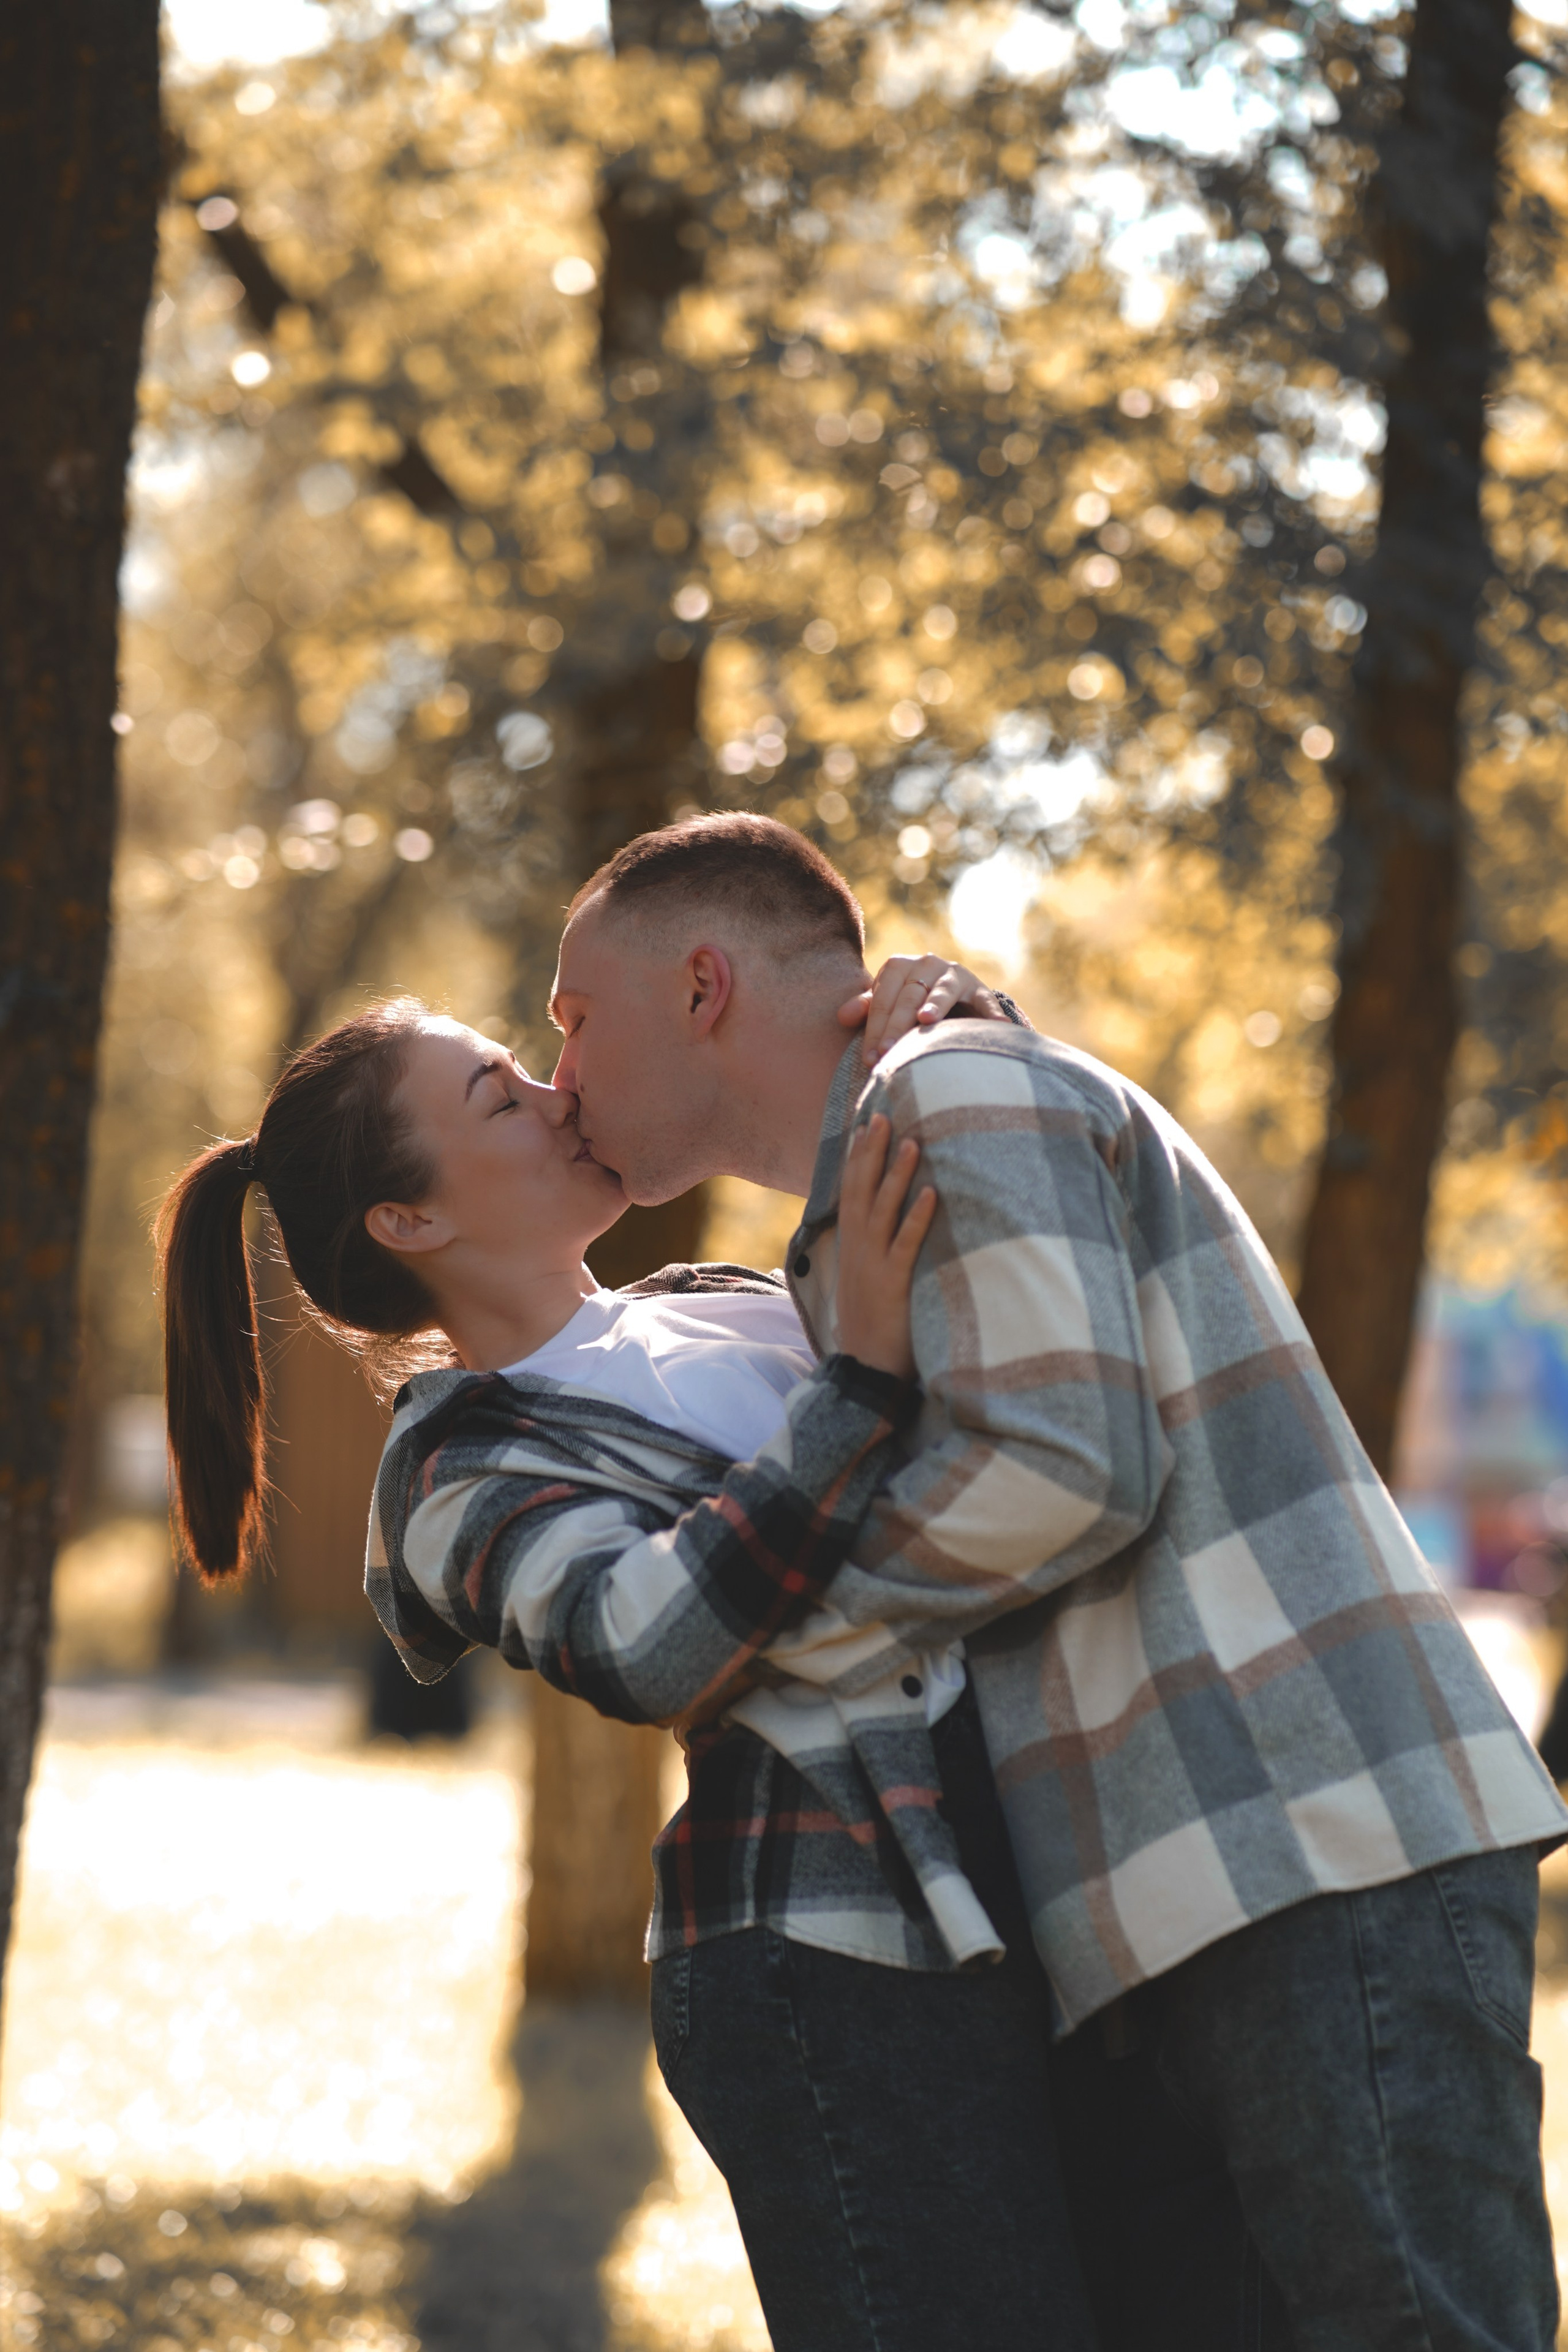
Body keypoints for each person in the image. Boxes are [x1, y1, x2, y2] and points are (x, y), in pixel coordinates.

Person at [521, 810, 1566, 2352]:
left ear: (699, 986)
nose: (558, 1076)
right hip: (1183, 1896)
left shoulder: (948, 1090)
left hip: (1306, 1843)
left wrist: (771, 1641)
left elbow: (1064, 1464)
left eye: (571, 1016)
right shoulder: (862, 1203)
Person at [155, 963, 1098, 2352]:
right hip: (820, 1958)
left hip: (1006, 1902)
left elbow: (1011, 1376)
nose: (559, 1093)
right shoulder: (461, 1473)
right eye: (501, 1093)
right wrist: (858, 1387)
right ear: (410, 1216)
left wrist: (957, 1039)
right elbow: (650, 1644)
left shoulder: (725, 1298)